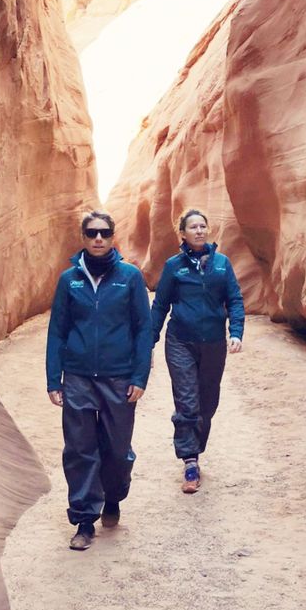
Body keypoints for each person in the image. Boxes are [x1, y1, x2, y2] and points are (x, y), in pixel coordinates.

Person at [46, 211, 152, 550]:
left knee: (117, 450)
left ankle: (113, 496)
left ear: (112, 236)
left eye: (104, 233)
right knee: (79, 449)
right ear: (83, 236)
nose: (98, 239)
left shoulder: (129, 277)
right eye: (92, 233)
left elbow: (143, 329)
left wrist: (139, 376)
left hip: (118, 377)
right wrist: (54, 378)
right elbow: (57, 330)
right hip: (78, 376)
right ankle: (84, 520)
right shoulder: (69, 280)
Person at [150, 207, 244, 492]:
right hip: (180, 341)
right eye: (193, 227)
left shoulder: (222, 264)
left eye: (202, 226)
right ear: (183, 233)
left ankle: (195, 447)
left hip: (214, 343)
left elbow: (234, 299)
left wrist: (236, 332)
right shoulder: (174, 266)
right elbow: (160, 305)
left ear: (208, 229)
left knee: (208, 403)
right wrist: (149, 340)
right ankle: (190, 461)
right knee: (187, 401)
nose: (199, 231)